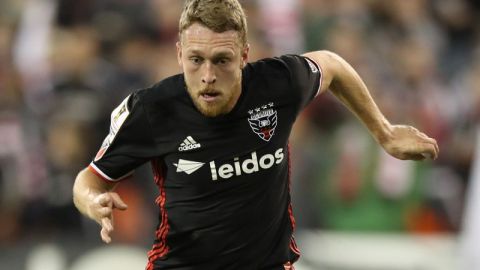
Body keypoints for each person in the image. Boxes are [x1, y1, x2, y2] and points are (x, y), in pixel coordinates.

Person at [72, 0, 439, 269]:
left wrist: (384, 132)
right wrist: (93, 201)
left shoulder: (277, 84)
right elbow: (88, 180)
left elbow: (332, 65)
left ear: (244, 56)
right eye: (196, 59)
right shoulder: (151, 110)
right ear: (179, 53)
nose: (208, 75)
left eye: (222, 61)